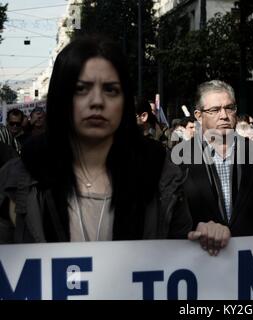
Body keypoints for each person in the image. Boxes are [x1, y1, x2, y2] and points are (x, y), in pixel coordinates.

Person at [0, 36, 229, 255]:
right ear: (61, 98)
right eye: (81, 89)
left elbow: (178, 256)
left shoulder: (160, 174)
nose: (97, 101)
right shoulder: (18, 178)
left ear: (124, 100)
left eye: (110, 90)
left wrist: (205, 240)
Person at [175, 80, 253, 236]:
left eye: (229, 108)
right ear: (198, 116)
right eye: (215, 110)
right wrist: (196, 229)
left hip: (248, 255)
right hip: (200, 253)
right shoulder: (179, 159)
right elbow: (172, 219)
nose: (224, 116)